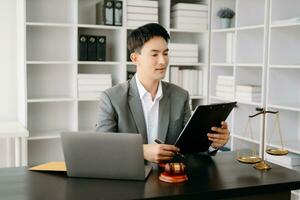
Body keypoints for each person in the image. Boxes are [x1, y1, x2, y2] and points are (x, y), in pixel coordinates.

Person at [96, 23, 229, 163]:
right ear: (135, 58)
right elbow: (102, 147)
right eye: (154, 54)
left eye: (165, 53)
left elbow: (191, 148)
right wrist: (140, 151)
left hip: (170, 178)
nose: (163, 61)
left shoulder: (180, 96)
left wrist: (213, 144)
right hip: (130, 178)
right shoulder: (111, 98)